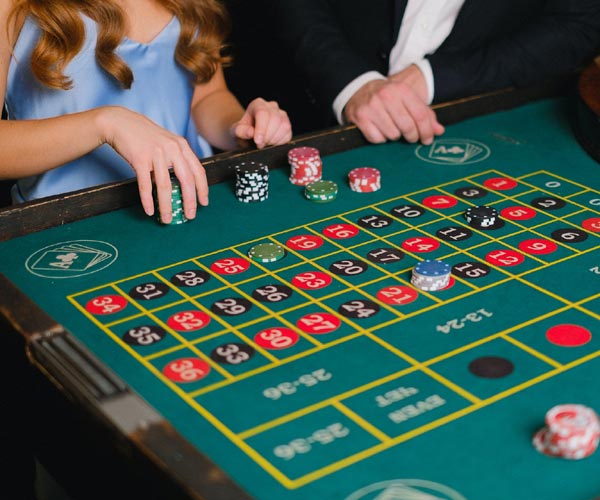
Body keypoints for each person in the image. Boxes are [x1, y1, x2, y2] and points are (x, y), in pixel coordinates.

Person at [0, 0, 292, 224]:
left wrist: (239, 126)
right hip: (63, 229)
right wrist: (106, 123)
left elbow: (206, 96)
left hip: (188, 210)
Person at [276, 0, 600, 145]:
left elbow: (578, 23)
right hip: (301, 113)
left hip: (475, 125)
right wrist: (350, 82)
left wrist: (434, 78)